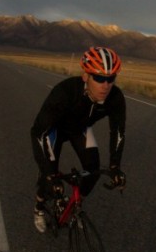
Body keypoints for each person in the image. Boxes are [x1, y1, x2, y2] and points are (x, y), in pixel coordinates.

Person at [30, 46, 127, 233]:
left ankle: (75, 206)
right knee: (48, 177)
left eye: (111, 78)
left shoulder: (115, 98)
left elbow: (118, 132)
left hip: (79, 129)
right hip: (53, 130)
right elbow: (38, 132)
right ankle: (39, 208)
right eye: (99, 78)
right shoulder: (65, 92)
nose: (105, 85)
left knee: (94, 169)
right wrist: (50, 174)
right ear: (85, 76)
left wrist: (115, 166)